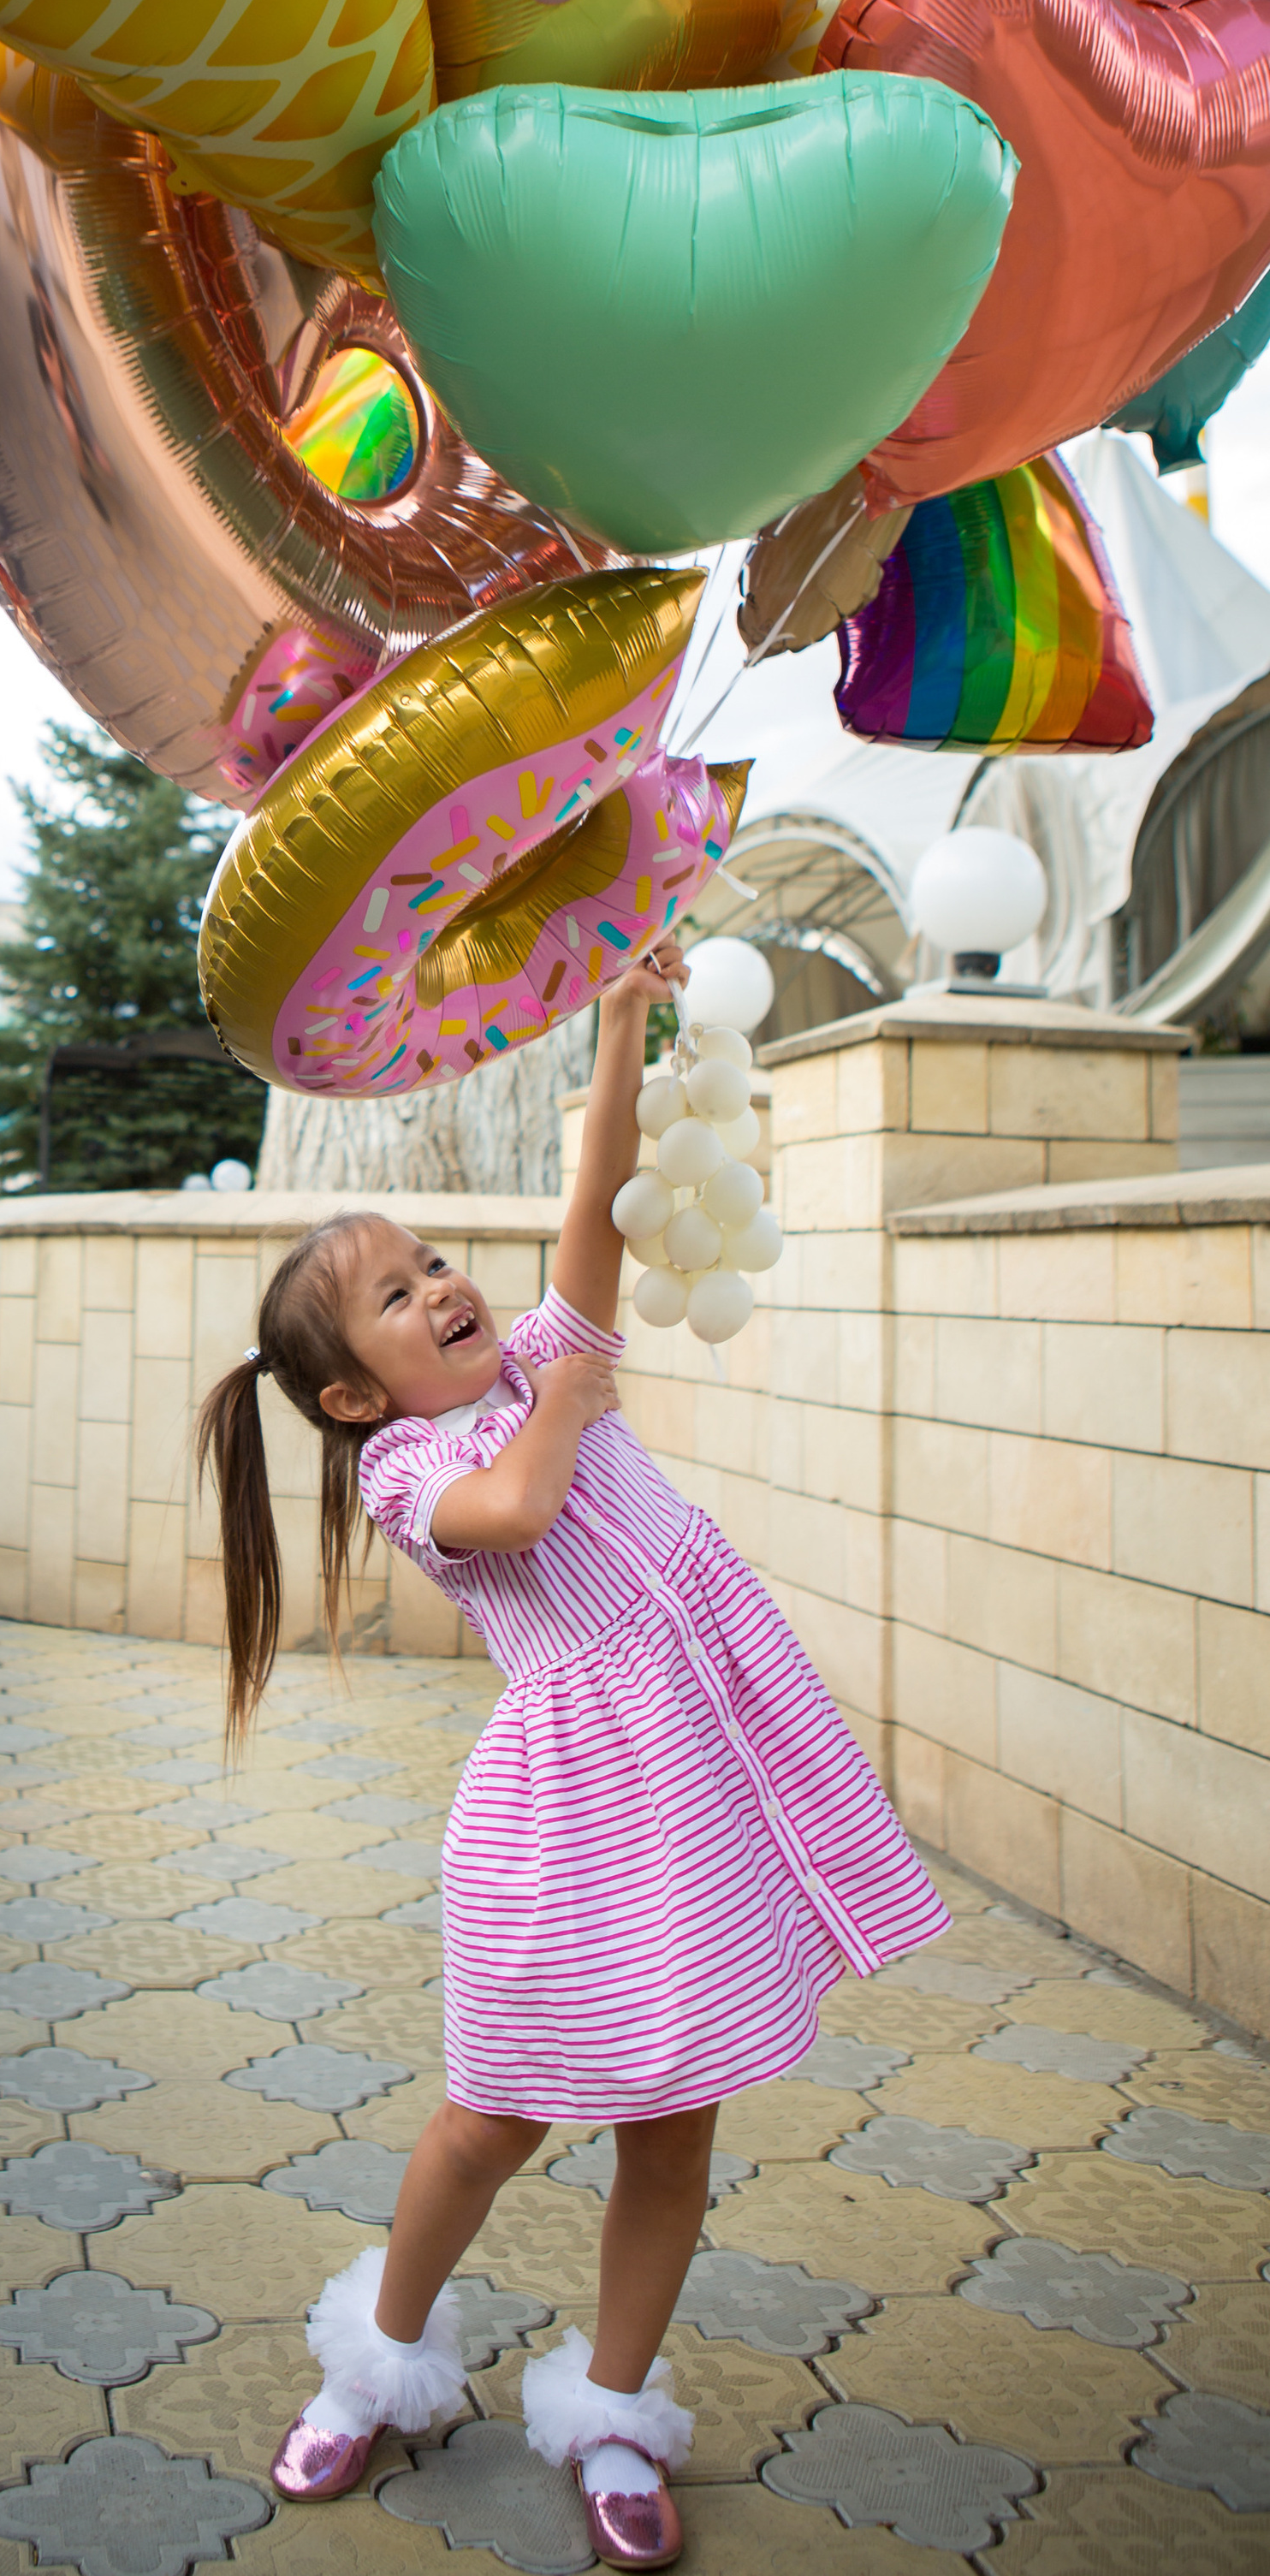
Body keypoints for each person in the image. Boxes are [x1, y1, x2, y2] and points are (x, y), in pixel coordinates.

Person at [195, 937, 948, 2571]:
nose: (446, 1289)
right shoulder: (416, 1469)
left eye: (437, 1262)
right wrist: (568, 1389)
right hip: (561, 1815)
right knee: (493, 2111)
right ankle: (379, 2363)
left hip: (695, 1790)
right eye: (398, 1296)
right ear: (347, 1394)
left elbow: (598, 1194)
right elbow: (518, 1508)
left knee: (675, 2116)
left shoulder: (542, 1360)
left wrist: (619, 1021)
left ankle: (610, 2406)